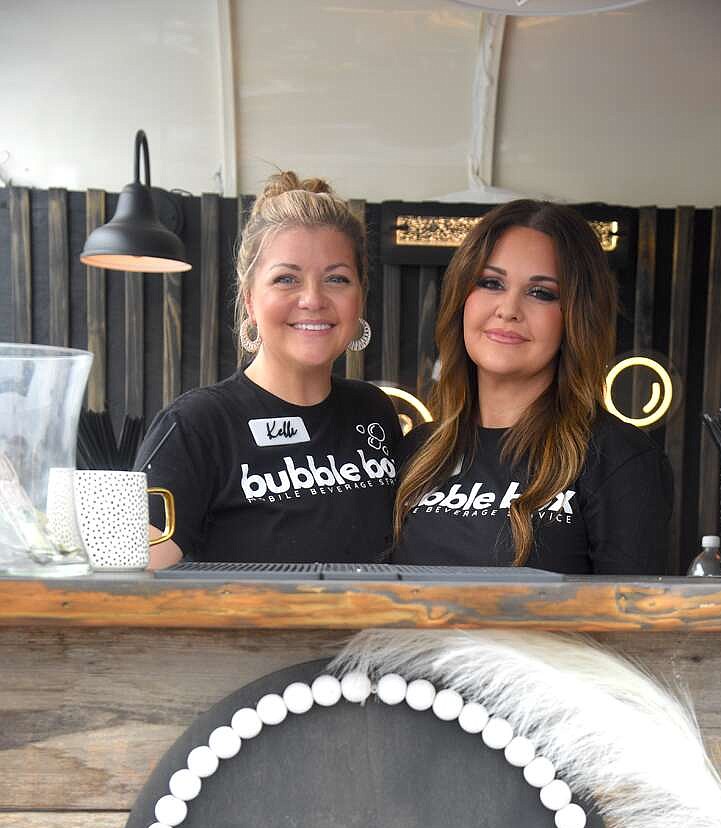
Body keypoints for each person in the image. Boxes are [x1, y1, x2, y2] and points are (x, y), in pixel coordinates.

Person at [392, 200, 672, 574]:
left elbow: (631, 627)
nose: (509, 309)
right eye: (491, 283)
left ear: (575, 316)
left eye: (541, 292)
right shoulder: (415, 452)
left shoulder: (617, 459)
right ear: (462, 299)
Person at [138, 172, 401, 567]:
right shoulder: (196, 425)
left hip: (378, 631)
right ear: (250, 301)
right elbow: (132, 577)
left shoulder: (374, 411)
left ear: (360, 298)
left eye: (336, 279)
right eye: (286, 279)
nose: (312, 299)